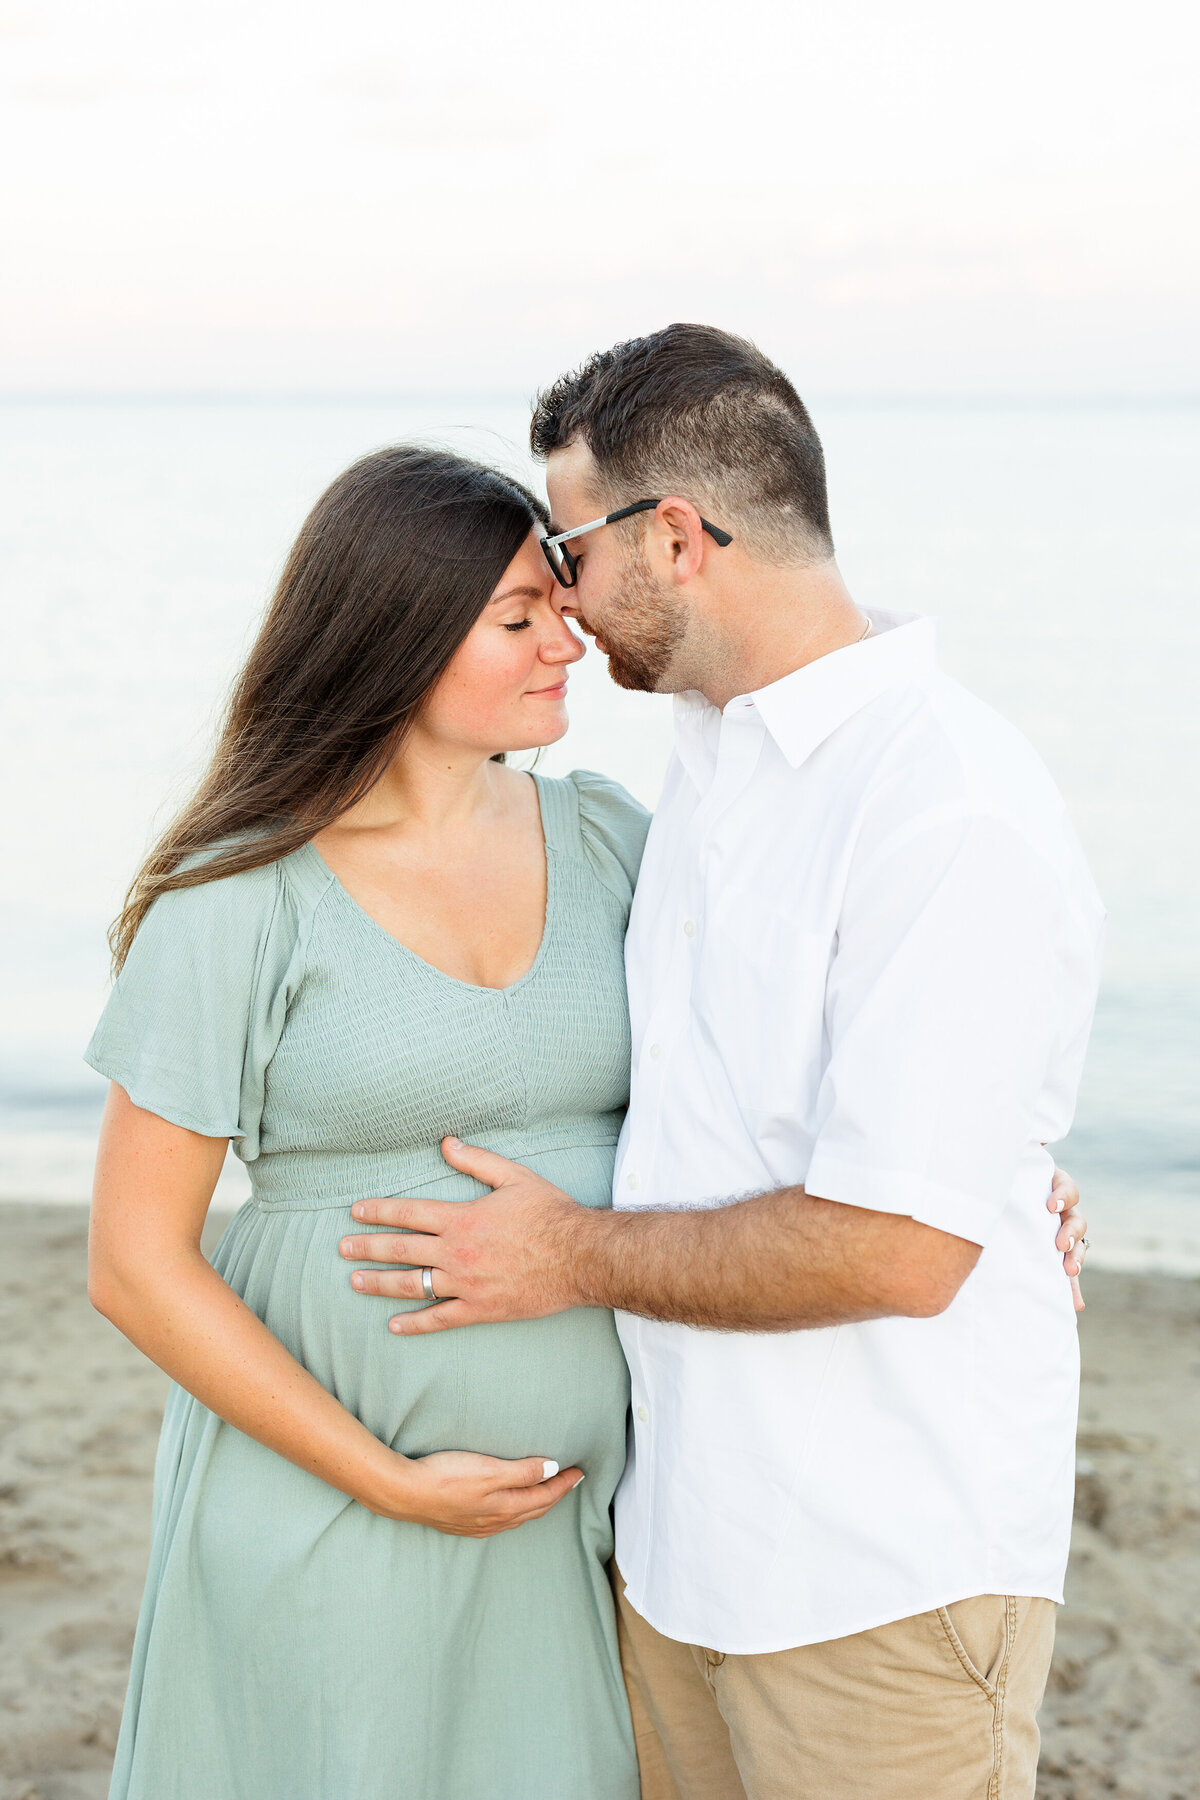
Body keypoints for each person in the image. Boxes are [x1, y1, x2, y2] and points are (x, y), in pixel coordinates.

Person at [339, 325, 1105, 1800]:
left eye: (566, 544)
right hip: (682, 1554)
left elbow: (897, 1251)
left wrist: (565, 1253)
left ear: (675, 538)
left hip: (879, 1578)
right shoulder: (708, 757)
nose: (555, 593)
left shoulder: (946, 813)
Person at [84, 448, 650, 1799]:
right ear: (396, 637)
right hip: (327, 1499)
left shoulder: (616, 843)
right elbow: (133, 1265)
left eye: (554, 605)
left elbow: (777, 1074)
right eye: (517, 618)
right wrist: (389, 1482)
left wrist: (994, 1183)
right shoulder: (243, 895)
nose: (566, 640)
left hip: (584, 1519)